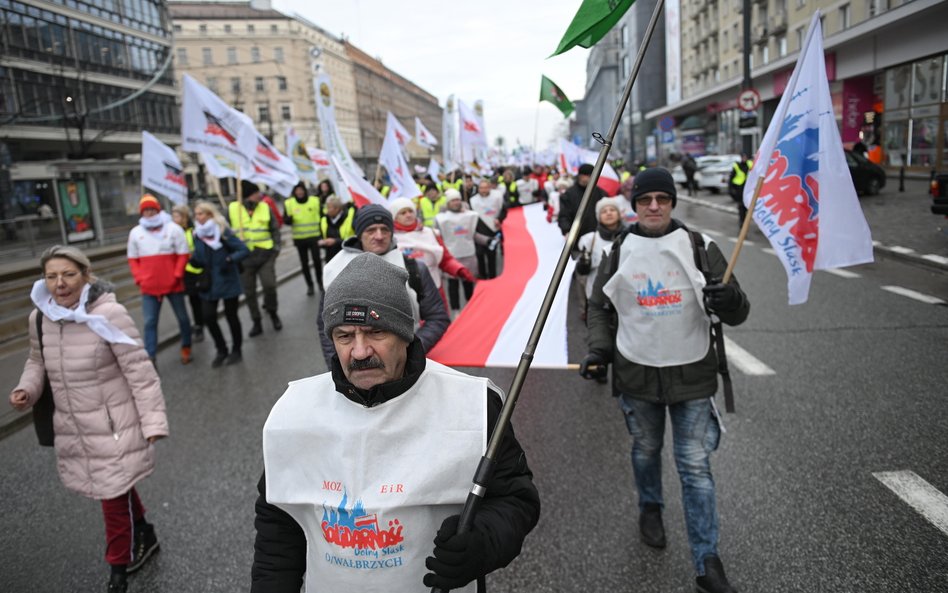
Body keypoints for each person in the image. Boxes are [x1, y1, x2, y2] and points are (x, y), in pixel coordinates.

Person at [251, 253, 540, 593]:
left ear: (406, 332)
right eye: (344, 336)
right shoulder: (296, 411)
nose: (359, 352)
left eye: (375, 332)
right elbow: (278, 525)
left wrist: (483, 544)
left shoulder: (474, 404)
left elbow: (516, 499)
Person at [580, 168, 749, 593]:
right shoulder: (618, 250)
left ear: (673, 202)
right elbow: (599, 307)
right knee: (646, 450)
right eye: (645, 199)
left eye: (663, 198)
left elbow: (739, 309)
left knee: (695, 468)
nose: (654, 206)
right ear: (633, 205)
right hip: (637, 377)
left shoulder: (699, 245)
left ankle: (707, 561)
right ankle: (650, 506)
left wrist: (729, 301)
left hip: (693, 375)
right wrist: (600, 350)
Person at [11, 245, 168, 593]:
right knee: (116, 485)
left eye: (68, 274)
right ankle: (146, 533)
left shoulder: (108, 315)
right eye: (51, 276)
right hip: (74, 426)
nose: (59, 283)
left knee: (110, 495)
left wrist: (153, 421)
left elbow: (140, 372)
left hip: (113, 427)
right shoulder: (41, 318)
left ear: (85, 275)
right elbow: (38, 362)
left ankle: (118, 571)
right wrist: (27, 389)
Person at [317, 204, 450, 368]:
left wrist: (412, 351)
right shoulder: (335, 269)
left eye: (384, 229)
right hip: (354, 364)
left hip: (404, 366)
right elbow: (325, 324)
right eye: (371, 230)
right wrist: (335, 365)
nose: (379, 236)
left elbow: (437, 317)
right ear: (359, 234)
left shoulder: (413, 267)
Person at [127, 194, 192, 366]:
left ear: (158, 210)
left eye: (151, 209)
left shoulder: (173, 229)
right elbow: (133, 259)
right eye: (145, 210)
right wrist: (139, 278)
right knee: (150, 321)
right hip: (149, 287)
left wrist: (177, 275)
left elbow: (182, 254)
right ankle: (151, 356)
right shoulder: (136, 233)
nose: (149, 213)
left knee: (183, 318)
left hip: (173, 284)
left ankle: (186, 346)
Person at [190, 201, 251, 367]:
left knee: (232, 317)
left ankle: (236, 350)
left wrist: (230, 259)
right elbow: (199, 255)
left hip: (227, 280)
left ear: (209, 215)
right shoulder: (197, 234)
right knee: (208, 317)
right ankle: (221, 349)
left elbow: (244, 250)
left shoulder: (223, 231)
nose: (198, 217)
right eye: (196, 214)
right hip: (209, 283)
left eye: (201, 213)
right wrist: (195, 260)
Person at [391, 197, 476, 297]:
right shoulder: (391, 239)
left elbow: (446, 259)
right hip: (407, 294)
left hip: (435, 288)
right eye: (403, 213)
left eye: (410, 211)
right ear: (395, 217)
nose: (408, 215)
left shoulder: (430, 233)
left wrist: (459, 270)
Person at [229, 180, 282, 337]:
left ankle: (273, 312)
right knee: (249, 292)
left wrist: (276, 248)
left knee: (269, 285)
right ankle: (256, 321)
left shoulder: (265, 207)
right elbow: (225, 230)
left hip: (265, 255)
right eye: (256, 193)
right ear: (247, 196)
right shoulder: (232, 209)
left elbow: (275, 229)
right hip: (244, 259)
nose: (260, 195)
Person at [436, 189, 492, 317]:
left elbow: (473, 235)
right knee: (453, 287)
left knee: (469, 284)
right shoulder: (441, 219)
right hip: (452, 258)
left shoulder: (470, 216)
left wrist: (487, 241)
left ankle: (471, 309)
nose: (456, 202)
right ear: (448, 203)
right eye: (453, 200)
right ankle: (456, 312)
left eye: (457, 200)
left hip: (469, 255)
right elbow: (437, 237)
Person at [574, 196, 626, 314]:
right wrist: (583, 263)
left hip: (625, 298)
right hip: (597, 299)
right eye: (604, 211)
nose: (608, 213)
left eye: (612, 210)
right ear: (598, 217)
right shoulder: (589, 239)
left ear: (618, 214)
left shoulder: (629, 237)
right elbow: (581, 271)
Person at [171, 204, 205, 344]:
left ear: (184, 217)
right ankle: (187, 327)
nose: (174, 219)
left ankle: (199, 326)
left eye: (177, 216)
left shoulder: (193, 232)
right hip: (179, 272)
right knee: (181, 302)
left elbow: (199, 251)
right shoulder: (172, 232)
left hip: (193, 272)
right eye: (173, 215)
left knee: (195, 301)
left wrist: (190, 256)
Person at [284, 181, 324, 296]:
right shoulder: (289, 203)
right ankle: (310, 285)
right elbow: (285, 220)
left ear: (304, 190)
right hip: (299, 239)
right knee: (304, 263)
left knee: (317, 261)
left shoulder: (314, 201)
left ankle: (320, 283)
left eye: (301, 190)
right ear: (294, 192)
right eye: (297, 190)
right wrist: (288, 220)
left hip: (314, 237)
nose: (299, 192)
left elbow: (322, 216)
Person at [557, 163, 606, 237]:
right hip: (578, 237)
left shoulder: (601, 193)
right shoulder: (568, 195)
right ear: (581, 176)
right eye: (590, 176)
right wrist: (566, 230)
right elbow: (564, 215)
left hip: (600, 235)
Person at [470, 179, 504, 279]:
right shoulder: (473, 200)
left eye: (485, 188)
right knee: (480, 255)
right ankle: (483, 277)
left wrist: (499, 219)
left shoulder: (497, 196)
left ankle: (493, 277)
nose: (483, 190)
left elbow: (504, 210)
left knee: (492, 255)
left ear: (489, 187)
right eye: (481, 188)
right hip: (479, 232)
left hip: (493, 231)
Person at [319, 194, 355, 262]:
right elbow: (320, 237)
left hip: (347, 258)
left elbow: (354, 240)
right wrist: (322, 243)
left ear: (337, 209)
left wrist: (335, 242)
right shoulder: (324, 220)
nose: (327, 210)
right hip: (331, 259)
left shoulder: (349, 218)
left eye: (329, 208)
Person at [728, 154, 753, 229]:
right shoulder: (737, 166)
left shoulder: (750, 164)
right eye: (743, 157)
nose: (744, 159)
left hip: (748, 189)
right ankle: (742, 222)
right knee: (741, 207)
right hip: (739, 189)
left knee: (747, 207)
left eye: (745, 157)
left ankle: (745, 221)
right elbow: (731, 178)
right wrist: (731, 189)